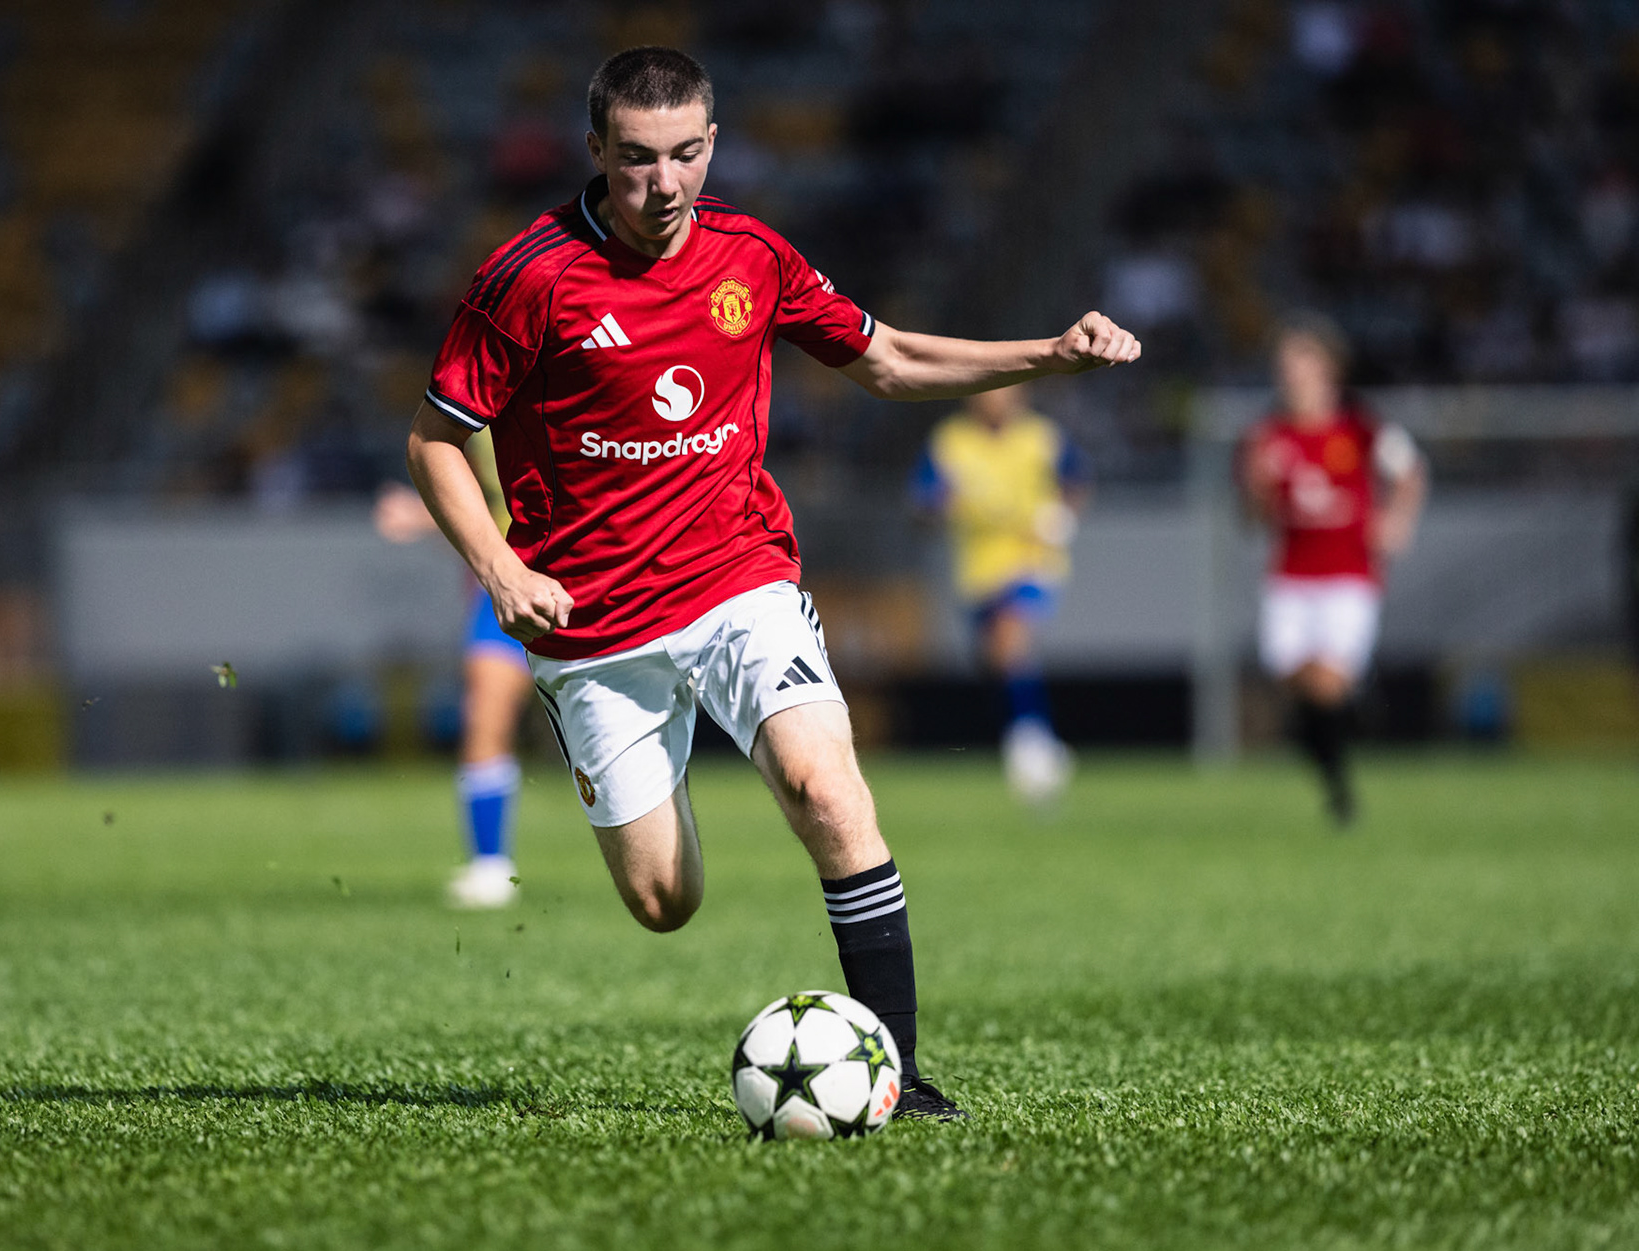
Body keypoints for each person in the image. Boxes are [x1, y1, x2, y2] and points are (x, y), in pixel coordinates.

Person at [406, 46, 1141, 1121]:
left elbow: (886, 360)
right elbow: (435, 439)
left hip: (737, 576)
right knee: (663, 900)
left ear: (714, 142)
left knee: (826, 789)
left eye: (688, 155)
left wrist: (1048, 354)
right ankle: (658, 764)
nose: (665, 184)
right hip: (591, 620)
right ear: (596, 150)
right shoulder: (528, 277)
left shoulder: (751, 255)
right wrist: (500, 564)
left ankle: (899, 1070)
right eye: (638, 160)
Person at [1241, 314, 1427, 824]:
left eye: (1301, 360)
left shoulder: (1362, 428)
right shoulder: (1267, 437)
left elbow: (1410, 471)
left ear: (1327, 367)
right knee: (1297, 685)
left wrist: (1396, 520)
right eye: (1285, 363)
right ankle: (1349, 735)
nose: (1290, 373)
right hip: (1290, 579)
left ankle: (1340, 788)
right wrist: (1255, 489)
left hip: (1347, 576)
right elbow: (1253, 520)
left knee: (1323, 684)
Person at [374, 433, 533, 910]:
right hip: (510, 577)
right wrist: (429, 518)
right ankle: (491, 865)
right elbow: (486, 507)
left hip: (596, 570)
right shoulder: (478, 407)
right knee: (485, 711)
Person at [912, 384, 1090, 801]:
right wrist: (941, 505)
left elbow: (1077, 479)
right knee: (999, 658)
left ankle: (1031, 744)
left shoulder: (1040, 436)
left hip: (1032, 560)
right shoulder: (950, 441)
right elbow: (922, 501)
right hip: (978, 572)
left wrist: (1061, 515)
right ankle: (1033, 740)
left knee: (1010, 639)